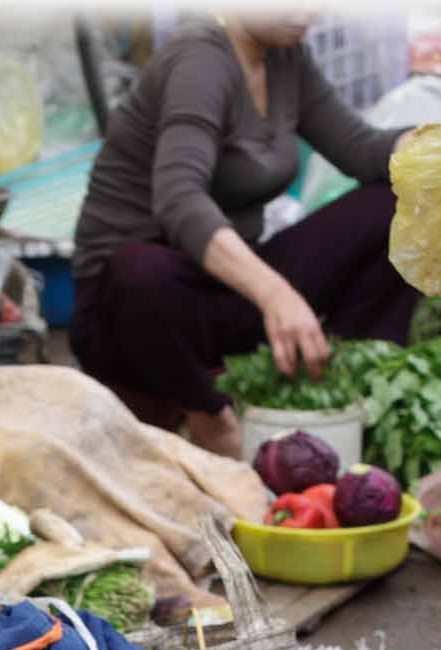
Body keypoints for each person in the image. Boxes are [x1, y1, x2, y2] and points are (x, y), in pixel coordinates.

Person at [70, 11, 420, 457]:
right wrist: (277, 294)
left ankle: (348, 393)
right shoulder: (200, 59)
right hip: (135, 320)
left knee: (394, 206)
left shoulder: (285, 57)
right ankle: (208, 416)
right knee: (140, 269)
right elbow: (178, 200)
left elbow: (362, 150)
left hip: (221, 295)